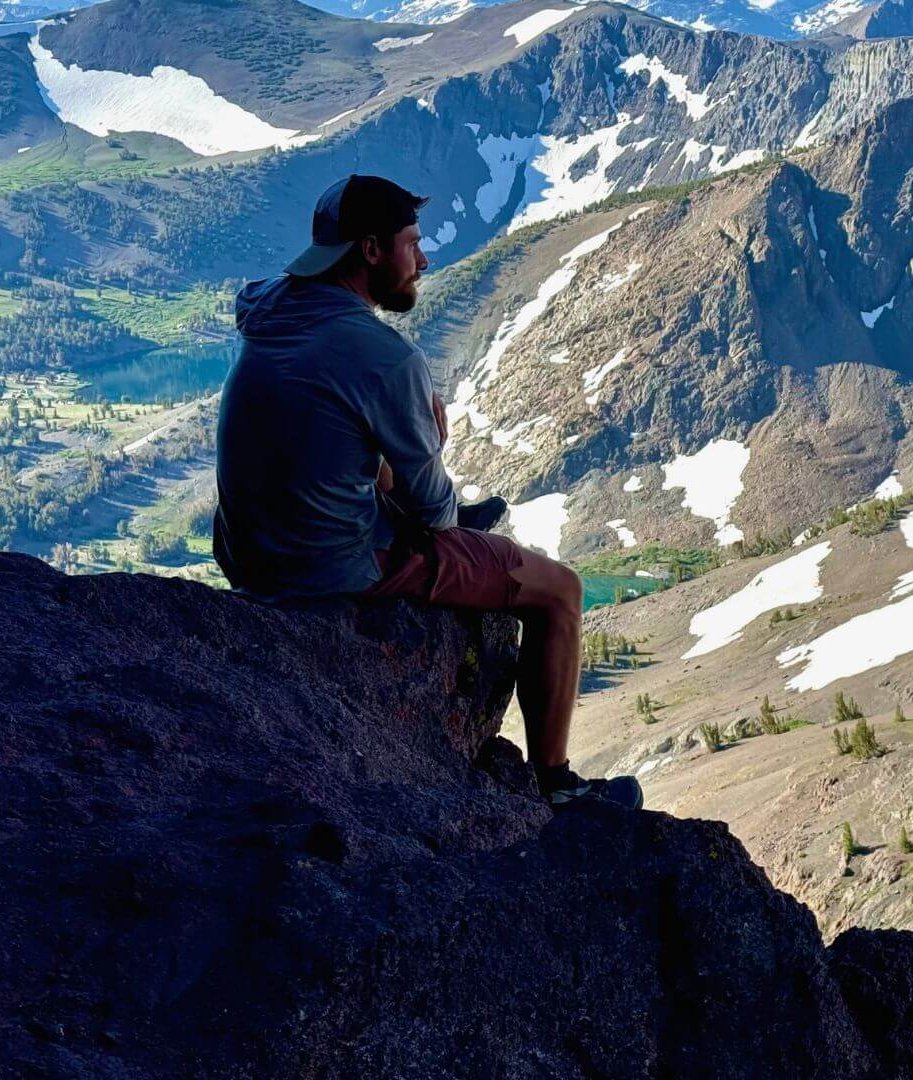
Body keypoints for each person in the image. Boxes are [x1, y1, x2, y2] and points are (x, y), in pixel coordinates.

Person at [213, 174, 642, 811]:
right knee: (561, 592)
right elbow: (436, 513)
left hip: (245, 551)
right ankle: (555, 783)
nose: (424, 259)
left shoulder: (270, 307)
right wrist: (429, 439)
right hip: (330, 566)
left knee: (350, 446)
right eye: (412, 244)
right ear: (371, 251)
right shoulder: (385, 358)